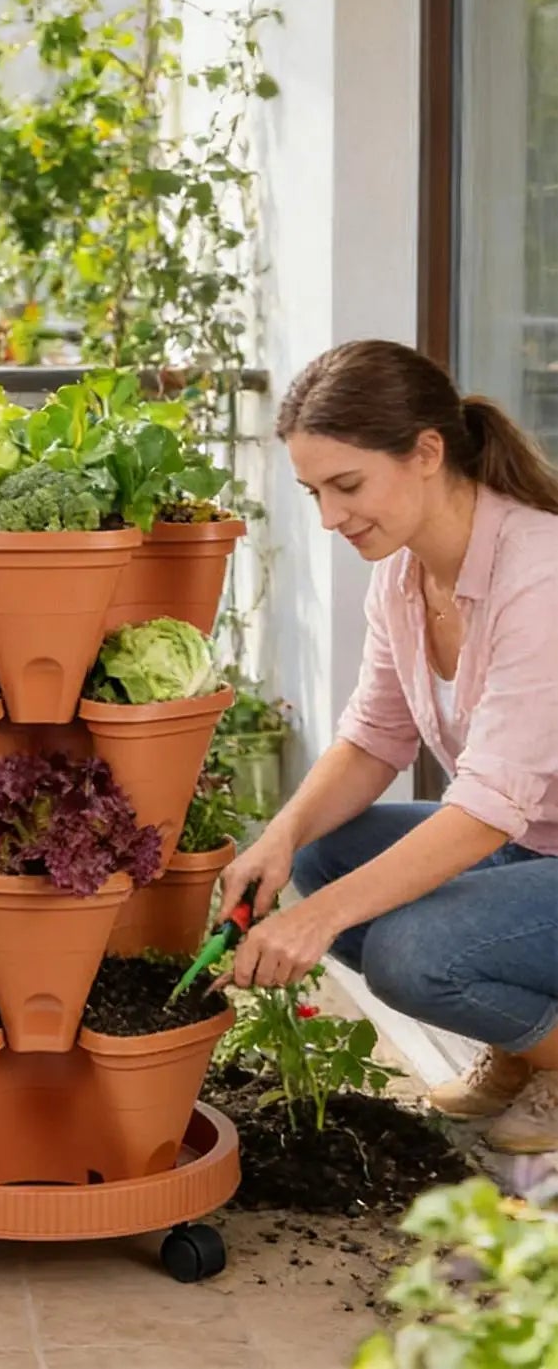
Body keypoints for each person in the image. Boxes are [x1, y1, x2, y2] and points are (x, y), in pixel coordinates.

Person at [218, 340, 558, 1155]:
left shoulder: (538, 575)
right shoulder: (403, 577)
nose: (330, 518)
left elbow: (483, 808)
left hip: (518, 839)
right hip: (528, 850)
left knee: (409, 955)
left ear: (426, 453)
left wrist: (316, 923)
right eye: (313, 493)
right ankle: (525, 1046)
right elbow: (373, 739)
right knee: (323, 853)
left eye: (346, 485)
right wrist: (278, 836)